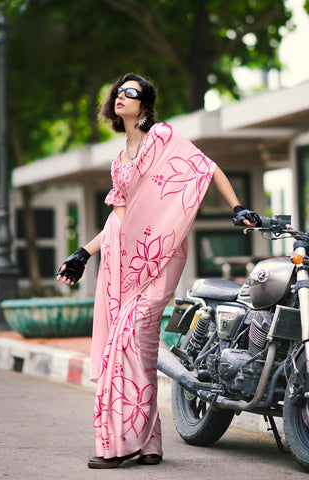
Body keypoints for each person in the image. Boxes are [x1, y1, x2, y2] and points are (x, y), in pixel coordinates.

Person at [56, 73, 259, 469]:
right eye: (117, 91)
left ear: (145, 103)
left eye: (130, 92)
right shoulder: (120, 161)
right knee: (133, 350)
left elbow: (207, 167)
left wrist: (237, 208)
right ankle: (148, 443)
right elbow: (118, 220)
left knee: (131, 339)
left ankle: (123, 442)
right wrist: (83, 253)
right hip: (119, 258)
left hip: (160, 255)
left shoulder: (162, 139)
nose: (120, 97)